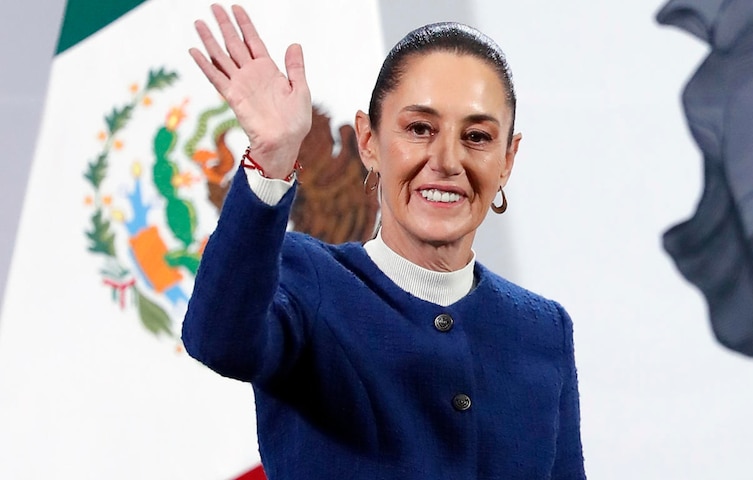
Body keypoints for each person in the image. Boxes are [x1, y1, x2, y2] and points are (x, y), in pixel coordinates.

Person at [182, 4, 585, 479]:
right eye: (419, 129)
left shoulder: (543, 329)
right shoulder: (309, 279)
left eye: (477, 136)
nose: (447, 160)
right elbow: (218, 341)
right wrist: (271, 158)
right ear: (368, 141)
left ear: (507, 159)